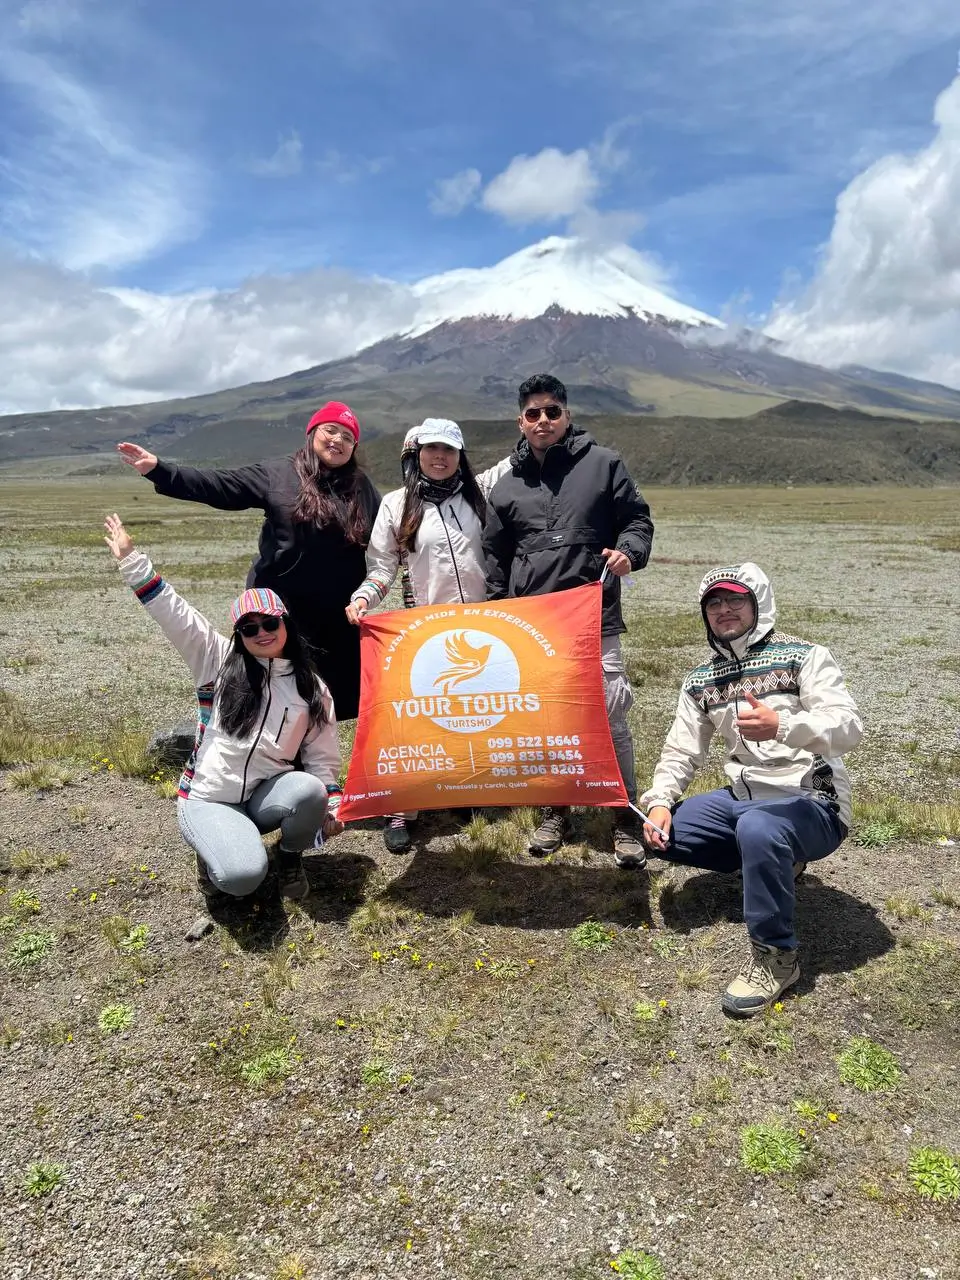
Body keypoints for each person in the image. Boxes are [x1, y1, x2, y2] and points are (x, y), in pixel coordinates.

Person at [639, 562, 863, 1017]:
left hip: (813, 802)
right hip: (744, 798)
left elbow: (848, 727)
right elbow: (681, 750)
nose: (724, 610)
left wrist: (785, 725)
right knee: (660, 832)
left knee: (762, 829)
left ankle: (776, 957)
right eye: (714, 603)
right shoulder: (701, 680)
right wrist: (660, 802)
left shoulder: (805, 656)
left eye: (735, 600)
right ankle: (776, 863)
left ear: (758, 604)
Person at [103, 513, 344, 918]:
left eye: (270, 623)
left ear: (285, 623)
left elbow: (321, 755)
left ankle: (289, 858)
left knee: (310, 792)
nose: (262, 633)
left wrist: (331, 805)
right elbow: (174, 613)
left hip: (264, 794)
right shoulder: (216, 660)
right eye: (250, 629)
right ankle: (215, 855)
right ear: (239, 635)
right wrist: (132, 559)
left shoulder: (311, 688)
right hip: (210, 798)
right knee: (241, 877)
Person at [482, 373, 654, 866]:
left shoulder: (604, 465)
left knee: (610, 719)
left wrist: (628, 552)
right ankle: (555, 811)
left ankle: (624, 817)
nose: (543, 421)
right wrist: (499, 612)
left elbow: (637, 520)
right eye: (533, 413)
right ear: (521, 420)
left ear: (567, 415)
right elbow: (495, 554)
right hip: (533, 626)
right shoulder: (508, 484)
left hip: (594, 619)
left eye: (552, 411)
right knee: (546, 722)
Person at [116, 401, 380, 721]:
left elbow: (389, 536)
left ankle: (314, 765)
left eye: (348, 437)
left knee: (327, 702)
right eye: (331, 430)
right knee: (271, 695)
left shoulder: (362, 488)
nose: (338, 440)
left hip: (336, 616)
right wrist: (161, 470)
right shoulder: (280, 474)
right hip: (279, 611)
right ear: (312, 434)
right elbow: (221, 485)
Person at [345, 418, 511, 852]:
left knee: (476, 711)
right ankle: (404, 805)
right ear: (415, 454)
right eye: (432, 449)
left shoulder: (481, 492)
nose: (441, 458)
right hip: (424, 629)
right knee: (417, 718)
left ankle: (469, 790)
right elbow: (382, 567)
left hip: (482, 627)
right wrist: (364, 599)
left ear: (461, 455)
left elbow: (523, 455)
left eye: (450, 450)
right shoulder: (397, 505)